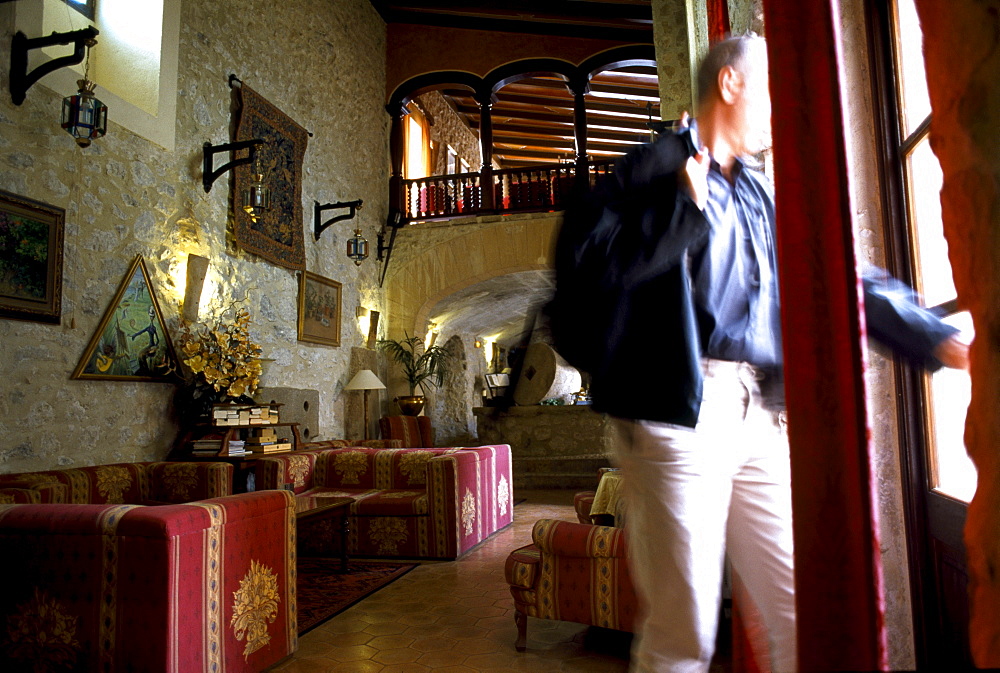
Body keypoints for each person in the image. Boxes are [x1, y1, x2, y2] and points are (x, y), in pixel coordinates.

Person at [548, 34, 968, 673]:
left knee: (795, 610)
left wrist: (933, 336)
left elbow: (839, 272)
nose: (776, 110)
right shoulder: (652, 168)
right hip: (674, 417)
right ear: (730, 84)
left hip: (760, 416)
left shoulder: (759, 192)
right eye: (768, 91)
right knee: (682, 634)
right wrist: (684, 211)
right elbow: (587, 270)